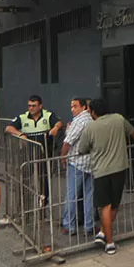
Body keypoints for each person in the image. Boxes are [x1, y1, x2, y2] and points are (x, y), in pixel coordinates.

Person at [76, 99, 134, 256]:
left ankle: (109, 242)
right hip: (120, 168)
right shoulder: (118, 119)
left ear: (93, 112)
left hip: (101, 171)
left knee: (104, 206)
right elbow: (133, 132)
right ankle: (102, 233)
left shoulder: (90, 127)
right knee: (115, 204)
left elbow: (82, 149)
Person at [7, 95, 61, 206]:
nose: (31, 108)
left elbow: (59, 122)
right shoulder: (23, 117)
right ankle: (24, 202)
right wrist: (20, 134)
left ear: (40, 106)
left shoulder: (48, 115)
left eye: (34, 106)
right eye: (29, 106)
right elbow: (8, 128)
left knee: (43, 177)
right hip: (28, 154)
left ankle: (43, 201)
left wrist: (55, 128)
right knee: (24, 176)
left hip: (44, 153)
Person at [60, 98, 96, 236]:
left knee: (72, 196)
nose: (72, 109)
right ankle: (89, 226)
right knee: (89, 196)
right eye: (71, 106)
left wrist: (63, 157)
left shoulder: (79, 121)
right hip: (91, 163)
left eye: (75, 106)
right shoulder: (92, 120)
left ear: (83, 107)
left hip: (77, 162)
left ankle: (69, 225)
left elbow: (68, 142)